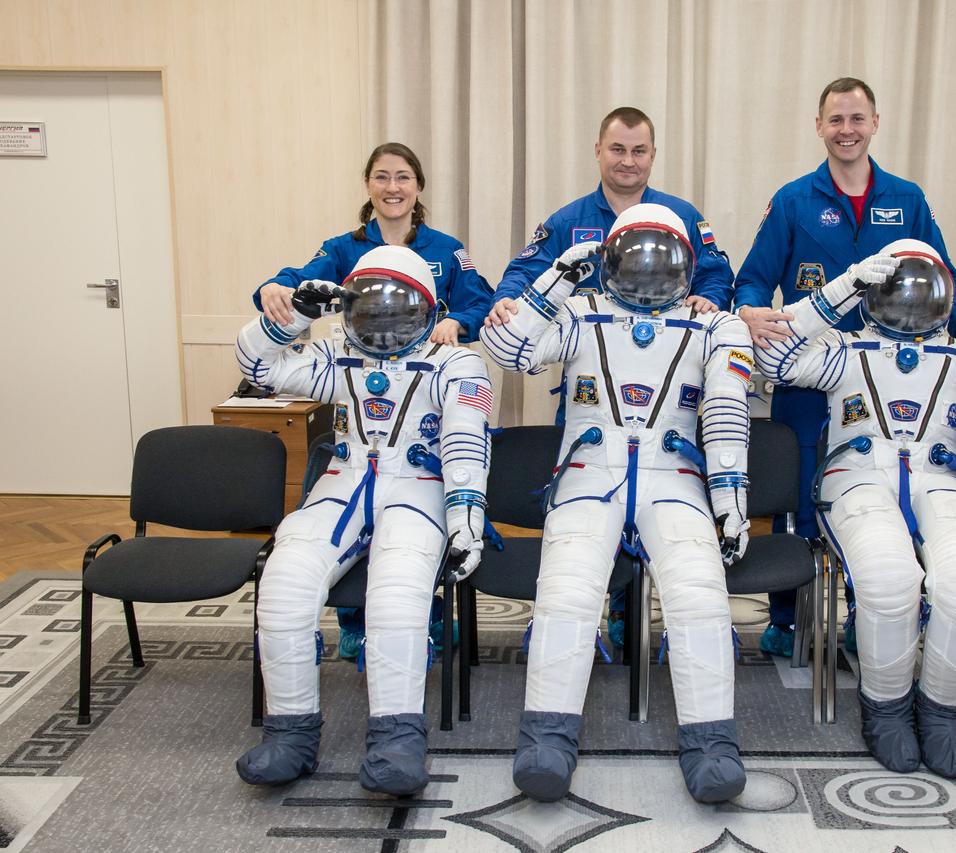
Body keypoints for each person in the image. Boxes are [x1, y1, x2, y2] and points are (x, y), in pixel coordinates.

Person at [481, 203, 752, 804]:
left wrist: (731, 496)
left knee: (698, 593)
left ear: (686, 264)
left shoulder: (716, 325)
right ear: (610, 260)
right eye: (636, 257)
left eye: (664, 258)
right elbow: (505, 350)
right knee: (566, 591)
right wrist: (554, 278)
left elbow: (728, 412)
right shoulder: (580, 312)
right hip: (588, 472)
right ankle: (546, 736)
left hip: (674, 474)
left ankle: (712, 741)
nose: (650, 273)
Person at [732, 77, 956, 658]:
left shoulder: (906, 199)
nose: (847, 130)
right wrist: (752, 313)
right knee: (799, 499)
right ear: (819, 126)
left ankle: (870, 615)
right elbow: (755, 275)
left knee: (883, 497)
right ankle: (788, 618)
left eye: (857, 119)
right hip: (812, 372)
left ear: (875, 124)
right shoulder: (793, 200)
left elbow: (944, 278)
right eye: (836, 120)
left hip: (890, 377)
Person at [755, 237, 956, 778]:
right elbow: (771, 353)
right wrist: (843, 286)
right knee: (889, 577)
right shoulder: (846, 351)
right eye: (896, 291)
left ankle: (944, 711)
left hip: (942, 479)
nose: (910, 306)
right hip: (858, 478)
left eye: (923, 293)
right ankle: (886, 708)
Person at [235, 245, 492, 795]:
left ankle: (396, 739)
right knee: (284, 583)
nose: (383, 322)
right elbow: (259, 366)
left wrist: (466, 518)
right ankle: (290, 733)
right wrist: (297, 316)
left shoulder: (457, 361)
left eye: (398, 308)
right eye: (370, 307)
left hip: (418, 490)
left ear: (427, 307)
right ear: (349, 307)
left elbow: (467, 444)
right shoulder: (335, 355)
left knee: (396, 598)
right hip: (343, 483)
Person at [486, 106, 736, 651]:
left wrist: (707, 300)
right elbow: (524, 272)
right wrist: (509, 301)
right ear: (598, 151)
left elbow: (719, 275)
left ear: (653, 154)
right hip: (590, 391)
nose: (628, 161)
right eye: (617, 149)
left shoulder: (681, 216)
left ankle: (630, 617)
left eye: (639, 150)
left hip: (667, 397)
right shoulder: (568, 219)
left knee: (661, 508)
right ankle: (581, 620)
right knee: (587, 515)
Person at [256, 142, 492, 660]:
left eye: (403, 177)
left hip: (423, 398)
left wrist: (459, 322)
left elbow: (482, 297)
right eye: (382, 177)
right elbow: (297, 284)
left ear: (418, 187)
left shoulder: (446, 248)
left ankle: (423, 622)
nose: (393, 188)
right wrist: (275, 291)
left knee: (414, 532)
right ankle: (353, 622)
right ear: (368, 185)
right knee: (339, 516)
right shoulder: (343, 249)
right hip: (360, 391)